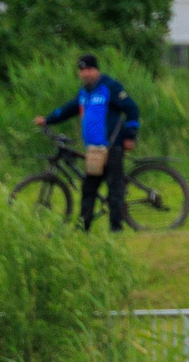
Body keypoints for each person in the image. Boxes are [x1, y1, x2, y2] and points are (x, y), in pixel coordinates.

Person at [34, 53, 140, 234]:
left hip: (112, 146)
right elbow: (67, 110)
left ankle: (116, 230)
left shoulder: (109, 87)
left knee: (114, 189)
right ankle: (84, 228)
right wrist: (47, 120)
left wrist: (130, 136)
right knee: (89, 189)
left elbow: (132, 108)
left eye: (89, 70)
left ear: (96, 70)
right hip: (94, 151)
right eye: (82, 70)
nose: (85, 74)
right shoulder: (84, 93)